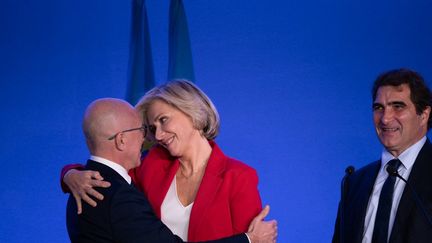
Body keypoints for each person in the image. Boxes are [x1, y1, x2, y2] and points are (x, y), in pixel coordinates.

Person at [62, 80, 263, 241]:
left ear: (192, 112)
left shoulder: (239, 177)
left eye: (163, 120)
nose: (157, 135)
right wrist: (70, 175)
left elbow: (257, 239)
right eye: (151, 127)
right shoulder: (152, 164)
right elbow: (111, 176)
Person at [332, 68, 432, 243]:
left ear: (423, 115)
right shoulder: (354, 183)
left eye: (398, 106)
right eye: (379, 108)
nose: (385, 118)